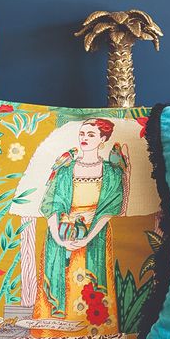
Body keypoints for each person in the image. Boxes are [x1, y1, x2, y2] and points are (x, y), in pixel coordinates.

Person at [39, 118, 129, 326]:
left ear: (103, 139)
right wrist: (58, 238)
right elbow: (53, 204)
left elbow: (109, 210)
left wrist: (87, 237)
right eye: (82, 134)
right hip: (61, 232)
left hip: (95, 236)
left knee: (90, 291)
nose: (85, 138)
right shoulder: (64, 170)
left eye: (91, 135)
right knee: (62, 282)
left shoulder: (111, 173)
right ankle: (54, 333)